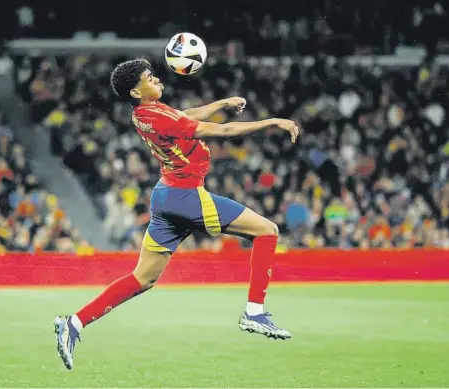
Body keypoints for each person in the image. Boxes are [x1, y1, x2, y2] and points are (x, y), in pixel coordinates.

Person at [54, 59, 300, 370]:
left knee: (142, 278)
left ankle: (73, 323)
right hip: (186, 196)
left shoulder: (146, 113)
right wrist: (272, 122)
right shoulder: (158, 116)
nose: (156, 79)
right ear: (135, 90)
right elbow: (223, 131)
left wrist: (222, 102)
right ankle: (254, 311)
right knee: (267, 231)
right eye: (148, 78)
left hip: (165, 197)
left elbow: (186, 117)